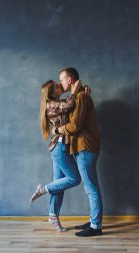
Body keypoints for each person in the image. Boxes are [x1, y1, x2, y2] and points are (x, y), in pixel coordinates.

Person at [29, 79, 86, 232]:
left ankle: (53, 215)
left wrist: (83, 93)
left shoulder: (56, 101)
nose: (60, 86)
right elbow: (67, 105)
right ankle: (44, 188)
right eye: (57, 86)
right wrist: (74, 91)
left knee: (59, 185)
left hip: (61, 147)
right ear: (52, 92)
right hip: (59, 148)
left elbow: (69, 107)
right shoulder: (51, 104)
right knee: (75, 179)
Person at [53, 67, 103, 237]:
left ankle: (96, 226)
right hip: (84, 147)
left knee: (91, 188)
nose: (60, 83)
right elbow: (69, 106)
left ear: (70, 79)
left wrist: (57, 130)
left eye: (61, 80)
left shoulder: (81, 97)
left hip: (85, 147)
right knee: (90, 186)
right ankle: (94, 220)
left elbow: (74, 126)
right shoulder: (80, 95)